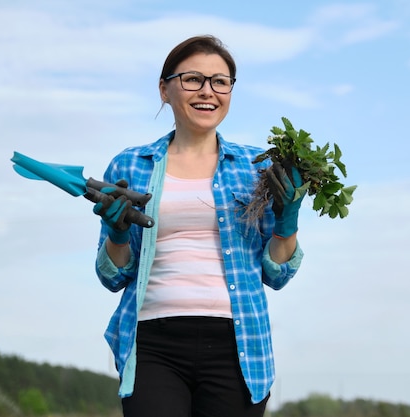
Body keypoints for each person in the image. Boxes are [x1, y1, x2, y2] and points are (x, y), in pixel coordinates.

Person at [93, 35, 305, 417]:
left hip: (238, 343)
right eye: (192, 79)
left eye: (220, 81)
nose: (208, 91)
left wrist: (286, 225)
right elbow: (113, 275)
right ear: (165, 89)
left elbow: (276, 274)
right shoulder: (129, 165)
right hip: (153, 342)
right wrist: (118, 234)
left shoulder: (256, 167)